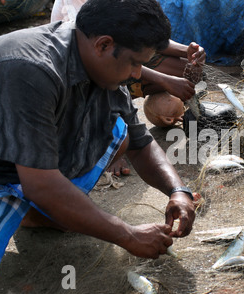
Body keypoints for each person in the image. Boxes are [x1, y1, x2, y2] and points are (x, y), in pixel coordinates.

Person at [0, 0, 195, 279]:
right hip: (4, 170)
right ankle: (28, 205)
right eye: (135, 63)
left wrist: (178, 191)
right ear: (103, 45)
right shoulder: (32, 70)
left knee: (120, 132)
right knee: (44, 196)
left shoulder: (95, 61)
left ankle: (40, 213)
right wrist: (128, 235)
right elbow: (40, 185)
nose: (138, 74)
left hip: (30, 160)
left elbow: (140, 141)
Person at [51, 0, 207, 176]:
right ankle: (108, 146)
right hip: (89, 69)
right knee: (102, 83)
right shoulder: (72, 7)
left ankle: (154, 102)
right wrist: (165, 80)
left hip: (120, 54)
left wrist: (187, 50)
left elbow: (145, 35)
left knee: (185, 68)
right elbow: (103, 57)